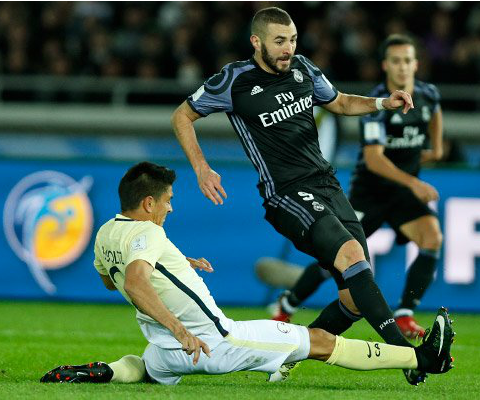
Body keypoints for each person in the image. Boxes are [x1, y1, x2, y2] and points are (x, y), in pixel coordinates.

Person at [171, 7, 436, 384]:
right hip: (286, 193)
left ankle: (290, 357)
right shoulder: (234, 79)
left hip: (327, 185)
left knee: (354, 299)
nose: (288, 48)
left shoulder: (304, 70)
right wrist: (201, 166)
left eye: (293, 39)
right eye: (280, 41)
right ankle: (408, 356)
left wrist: (382, 103)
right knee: (350, 255)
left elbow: (340, 102)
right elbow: (182, 115)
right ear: (256, 41)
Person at [39, 162, 455, 385]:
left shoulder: (107, 232)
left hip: (164, 350)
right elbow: (134, 280)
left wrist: (179, 267)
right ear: (147, 203)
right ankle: (421, 358)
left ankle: (104, 372)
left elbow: (110, 280)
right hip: (213, 341)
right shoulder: (148, 232)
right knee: (322, 342)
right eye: (166, 200)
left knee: (145, 367)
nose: (171, 207)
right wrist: (182, 328)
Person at [257, 34, 446, 339]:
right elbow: (373, 160)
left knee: (432, 238)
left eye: (407, 61)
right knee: (338, 258)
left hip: (402, 196)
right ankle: (287, 303)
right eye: (396, 61)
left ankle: (405, 314)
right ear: (385, 65)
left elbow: (434, 125)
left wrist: (434, 150)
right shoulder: (377, 103)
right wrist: (414, 180)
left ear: (416, 64)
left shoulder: (428, 96)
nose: (402, 67)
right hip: (369, 194)